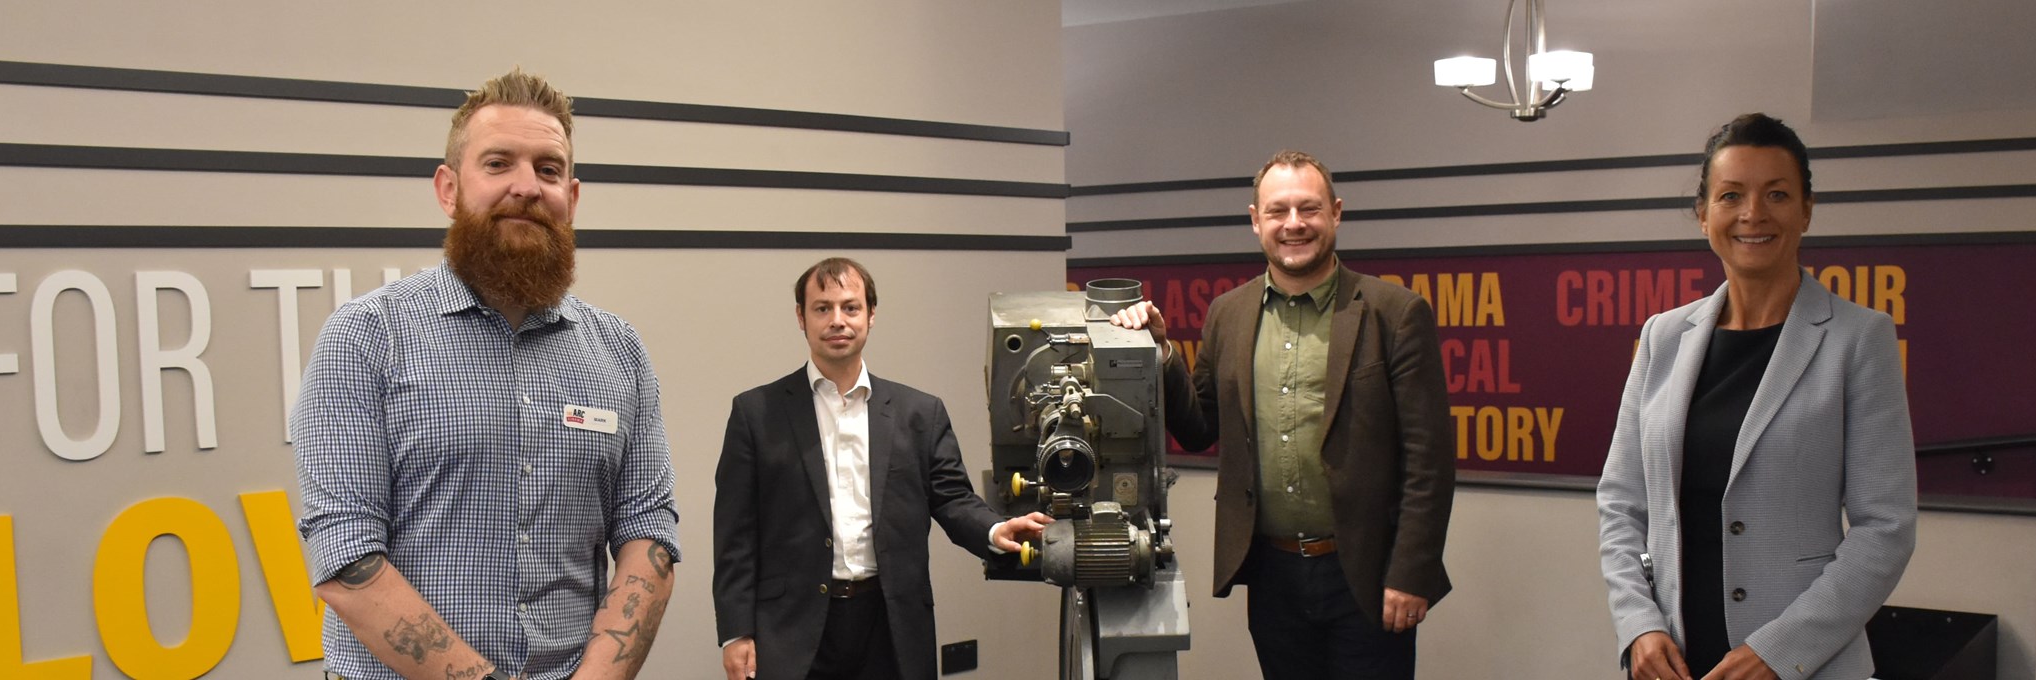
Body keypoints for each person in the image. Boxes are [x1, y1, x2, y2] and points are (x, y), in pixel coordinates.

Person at [294, 70, 681, 680]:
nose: (526, 187)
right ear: (448, 189)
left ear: (572, 198)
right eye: (498, 163)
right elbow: (345, 555)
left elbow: (648, 535)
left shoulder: (620, 352)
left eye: (548, 170)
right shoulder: (366, 337)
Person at [1108, 150, 1456, 679]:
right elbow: (1199, 429)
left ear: (1336, 213)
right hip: (1272, 576)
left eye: (1309, 209)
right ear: (1256, 220)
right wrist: (1161, 353)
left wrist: (1412, 573)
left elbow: (1429, 462)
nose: (1294, 224)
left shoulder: (1395, 313)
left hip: (1365, 574)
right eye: (1278, 211)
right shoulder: (1228, 313)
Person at [1596, 112, 1917, 680]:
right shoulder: (1662, 337)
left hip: (1804, 666)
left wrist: (1779, 651)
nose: (1753, 214)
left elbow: (1884, 529)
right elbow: (1622, 504)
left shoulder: (1859, 338)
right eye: (1731, 196)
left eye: (1776, 194)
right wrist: (1638, 625)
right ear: (1703, 215)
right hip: (1672, 662)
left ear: (1806, 210)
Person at [711, 258, 1053, 680]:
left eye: (850, 308)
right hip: (791, 628)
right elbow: (735, 534)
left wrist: (992, 530)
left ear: (871, 315)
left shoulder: (920, 413)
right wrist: (735, 632)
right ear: (801, 317)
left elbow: (952, 498)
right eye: (823, 308)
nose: (838, 320)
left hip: (891, 624)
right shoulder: (756, 413)